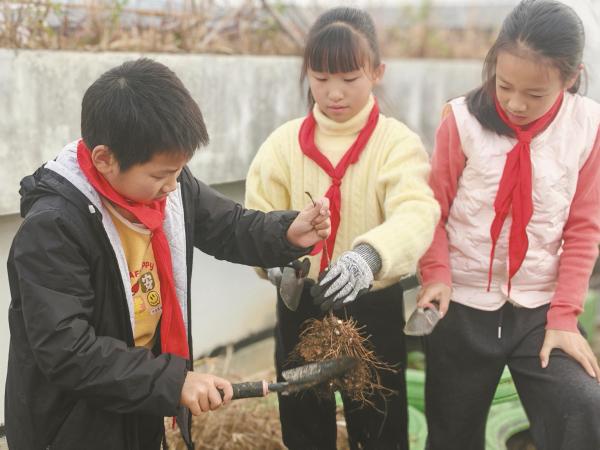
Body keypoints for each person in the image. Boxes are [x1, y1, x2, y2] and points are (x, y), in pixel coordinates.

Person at [5, 58, 331, 450]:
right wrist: (173, 381)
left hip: (137, 392)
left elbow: (229, 226)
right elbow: (67, 350)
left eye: (179, 171)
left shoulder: (170, 189)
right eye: (160, 176)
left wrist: (288, 233)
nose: (173, 186)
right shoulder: (54, 228)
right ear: (104, 159)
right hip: (72, 422)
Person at [245, 7, 439, 449]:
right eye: (320, 78)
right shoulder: (282, 146)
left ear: (377, 72)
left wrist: (367, 258)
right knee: (304, 425)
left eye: (350, 79)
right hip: (301, 305)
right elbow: (256, 219)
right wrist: (275, 267)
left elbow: (416, 213)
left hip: (371, 306)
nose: (334, 93)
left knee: (379, 426)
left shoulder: (396, 144)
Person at [417, 1, 600, 449]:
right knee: (452, 434)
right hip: (461, 303)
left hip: (541, 309)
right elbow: (431, 210)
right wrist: (436, 273)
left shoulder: (587, 127)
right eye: (504, 85)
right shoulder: (461, 121)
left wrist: (564, 317)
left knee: (583, 406)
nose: (516, 103)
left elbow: (583, 229)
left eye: (535, 94)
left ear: (571, 77)